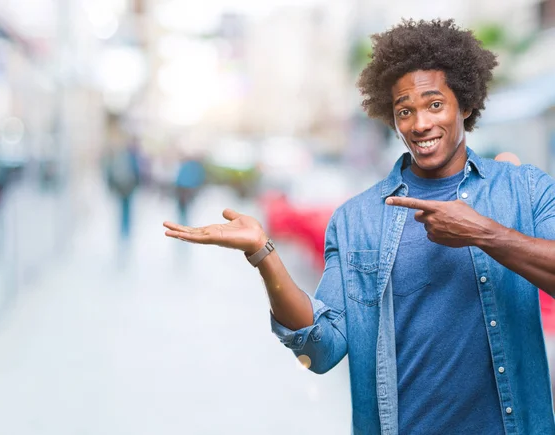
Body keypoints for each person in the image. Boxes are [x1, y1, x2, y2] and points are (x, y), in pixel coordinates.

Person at [163, 19, 555, 434]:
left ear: (467, 104)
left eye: (434, 104)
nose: (420, 124)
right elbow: (320, 352)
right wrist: (263, 254)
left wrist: (481, 232)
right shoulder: (358, 219)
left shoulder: (525, 190)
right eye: (405, 111)